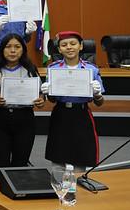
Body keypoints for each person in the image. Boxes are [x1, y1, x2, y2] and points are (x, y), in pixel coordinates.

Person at [0, 34, 45, 172]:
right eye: (8, 47)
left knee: (20, 163)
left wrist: (40, 100)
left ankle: (18, 193)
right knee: (0, 163)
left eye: (17, 47)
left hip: (24, 119)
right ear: (2, 49)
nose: (13, 50)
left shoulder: (31, 69)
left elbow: (40, 93)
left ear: (23, 50)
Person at [42, 31, 104, 170]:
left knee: (81, 155)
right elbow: (52, 100)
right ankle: (58, 189)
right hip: (61, 113)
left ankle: (79, 187)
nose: (69, 47)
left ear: (81, 46)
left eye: (73, 43)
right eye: (64, 45)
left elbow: (99, 102)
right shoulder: (53, 69)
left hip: (81, 114)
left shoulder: (91, 69)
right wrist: (48, 93)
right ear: (59, 49)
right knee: (58, 154)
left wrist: (97, 94)